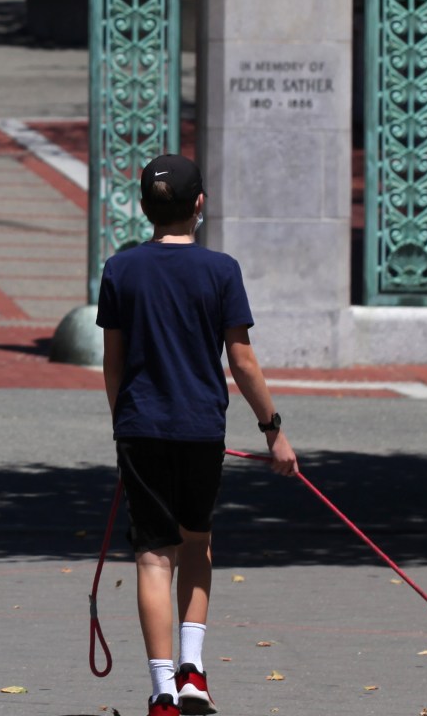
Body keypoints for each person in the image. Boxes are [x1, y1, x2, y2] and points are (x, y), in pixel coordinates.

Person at [97, 153, 299, 716]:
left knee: (153, 559)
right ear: (200, 206)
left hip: (140, 428)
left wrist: (123, 424)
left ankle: (162, 690)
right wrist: (273, 431)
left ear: (144, 209)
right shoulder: (221, 270)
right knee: (197, 544)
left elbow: (112, 364)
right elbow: (243, 360)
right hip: (201, 428)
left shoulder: (120, 270)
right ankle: (193, 673)